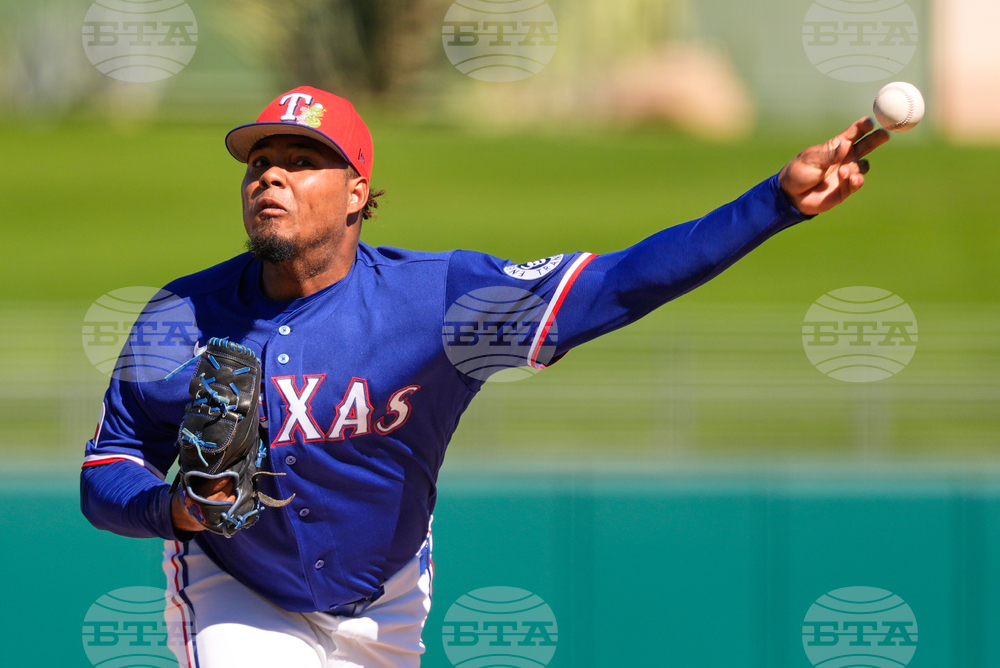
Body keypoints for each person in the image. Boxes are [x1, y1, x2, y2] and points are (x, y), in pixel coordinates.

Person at [80, 86, 889, 667]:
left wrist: (776, 203)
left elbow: (619, 281)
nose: (270, 176)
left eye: (303, 159)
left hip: (385, 593)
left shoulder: (439, 301)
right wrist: (170, 507)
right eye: (260, 161)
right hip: (238, 582)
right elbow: (106, 464)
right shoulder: (181, 315)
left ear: (358, 192)